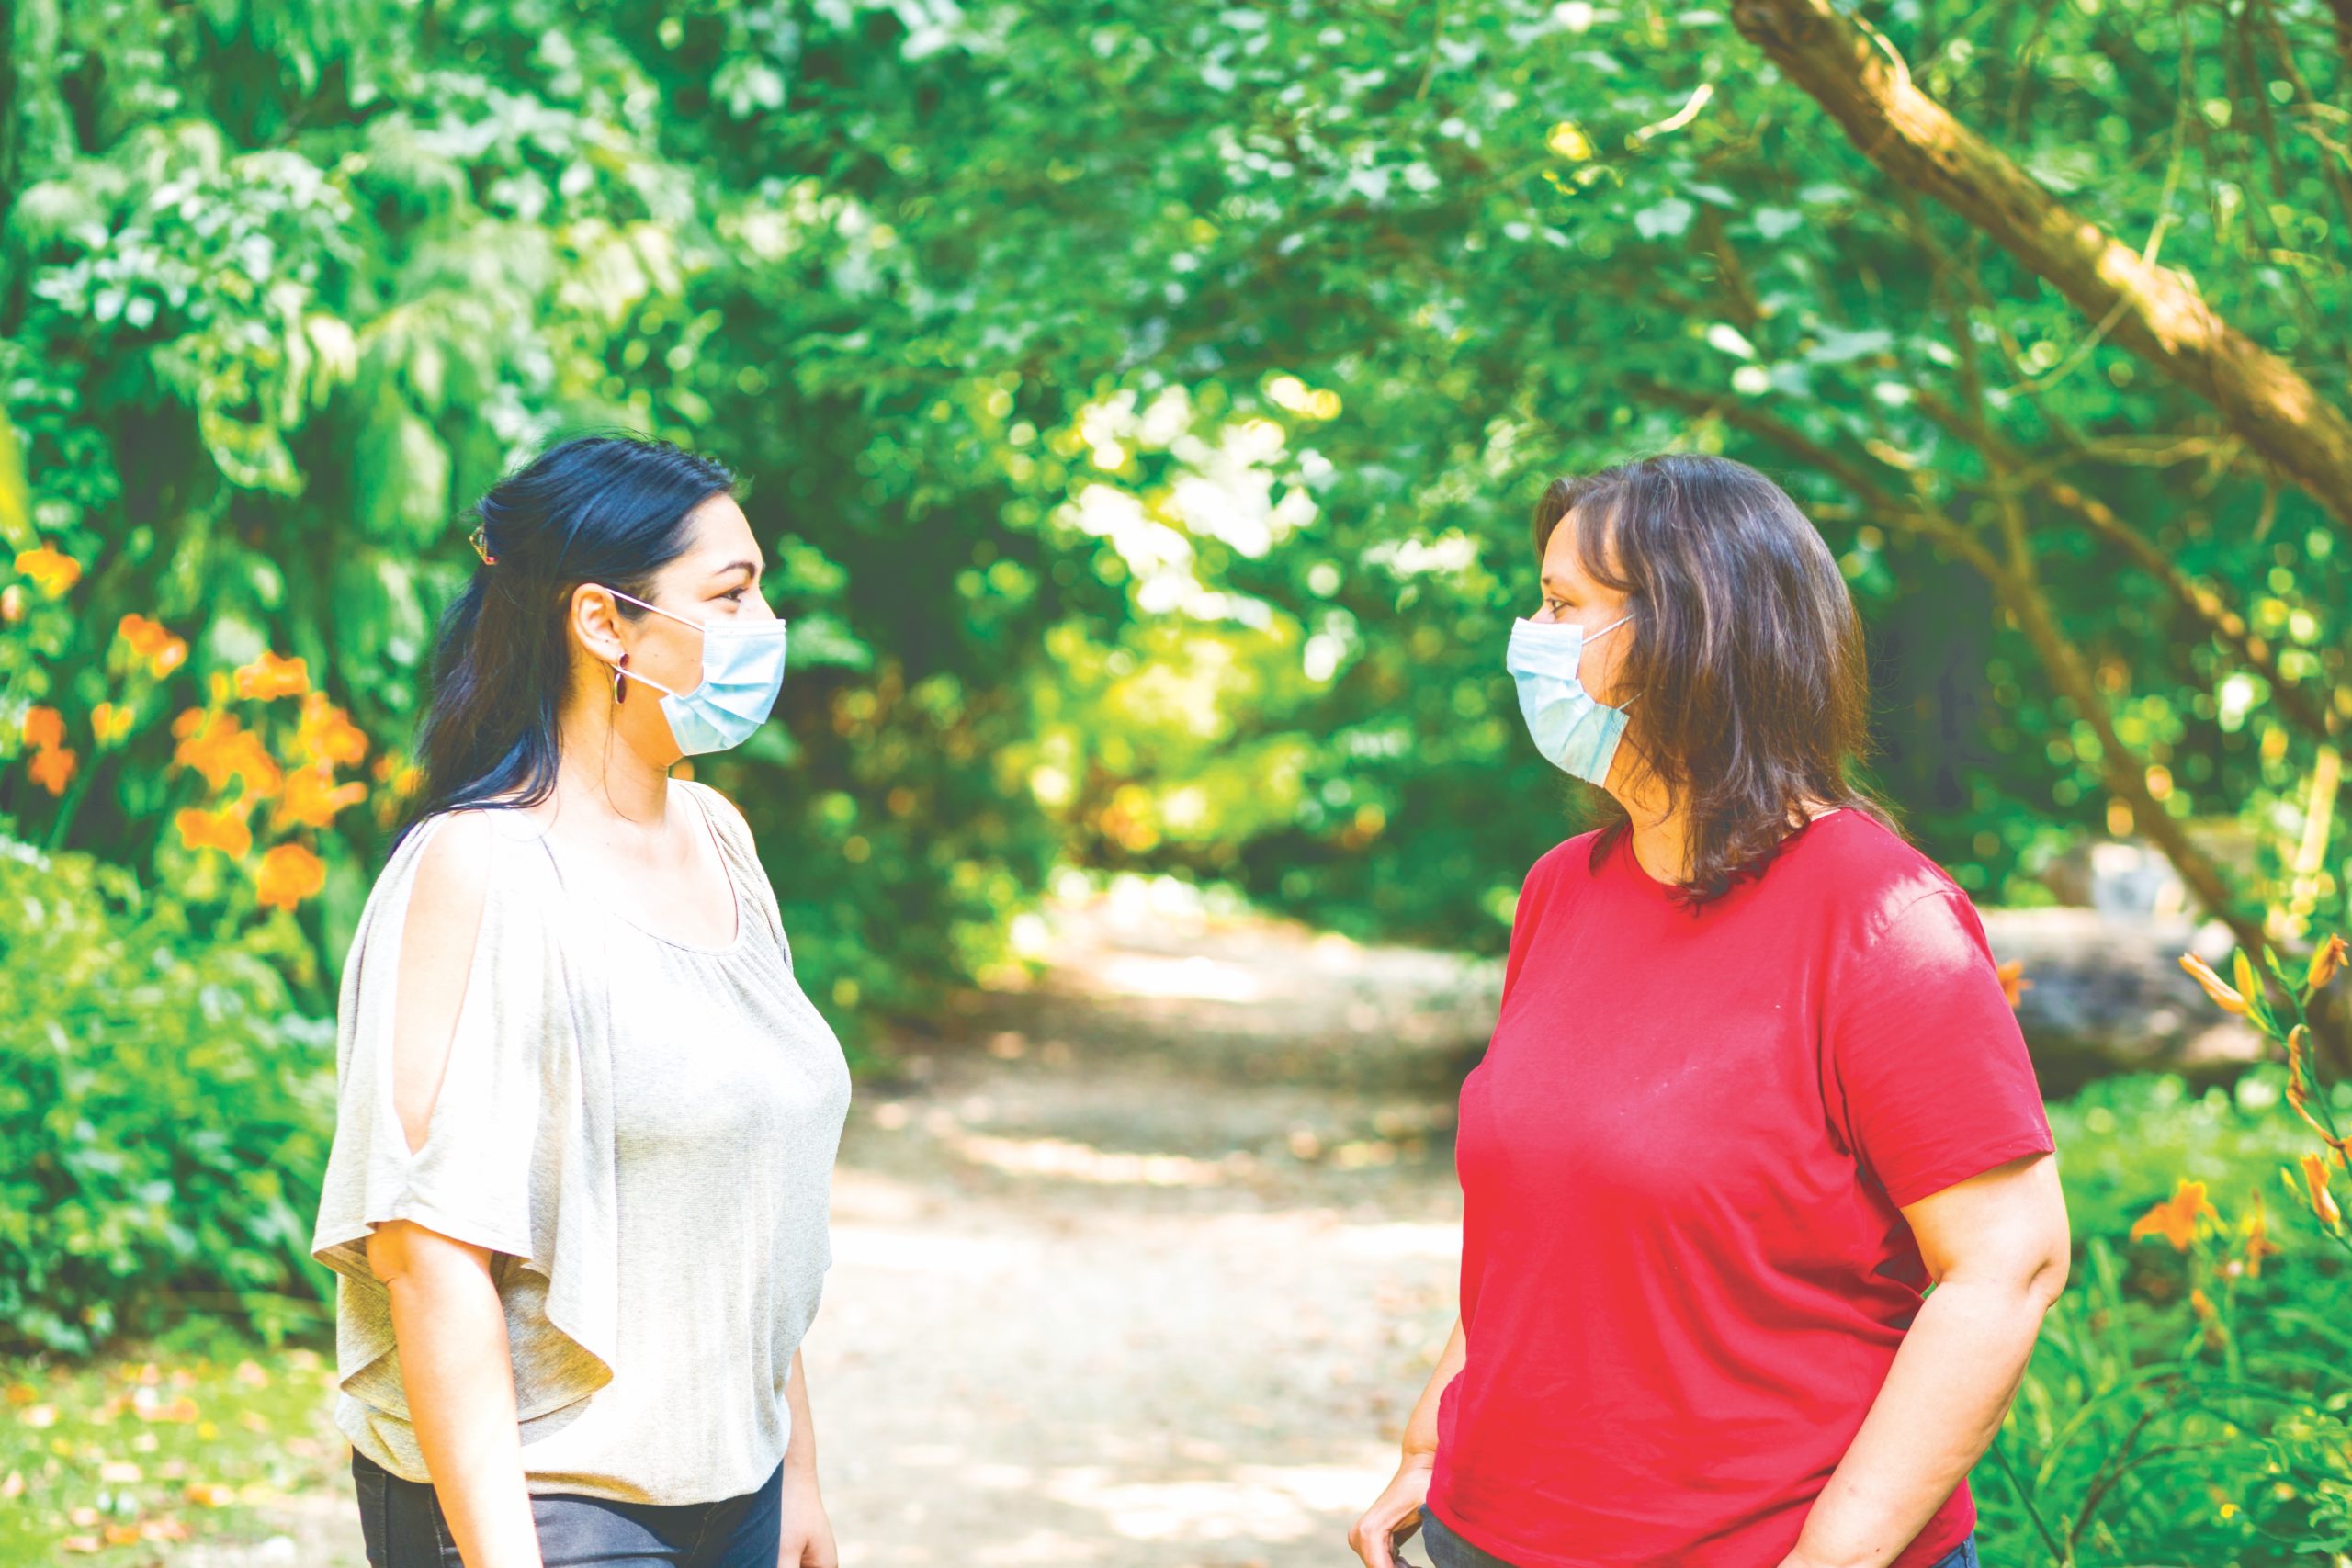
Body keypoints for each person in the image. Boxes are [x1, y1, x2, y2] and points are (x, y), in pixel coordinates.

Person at [1348, 454, 2068, 1568]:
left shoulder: (1877, 915)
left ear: (1694, 632)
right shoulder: (1560, 891)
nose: (1528, 637)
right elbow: (1542, 1228)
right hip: (1486, 1537)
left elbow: (2007, 1263)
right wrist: (1429, 1446)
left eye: (1562, 605)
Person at [309, 434, 853, 1568]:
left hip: (734, 1484)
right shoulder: (479, 869)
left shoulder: (720, 839)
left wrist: (796, 1471)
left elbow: (747, 1192)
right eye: (731, 595)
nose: (764, 630)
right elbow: (427, 1250)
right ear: (603, 622)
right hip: (549, 1504)